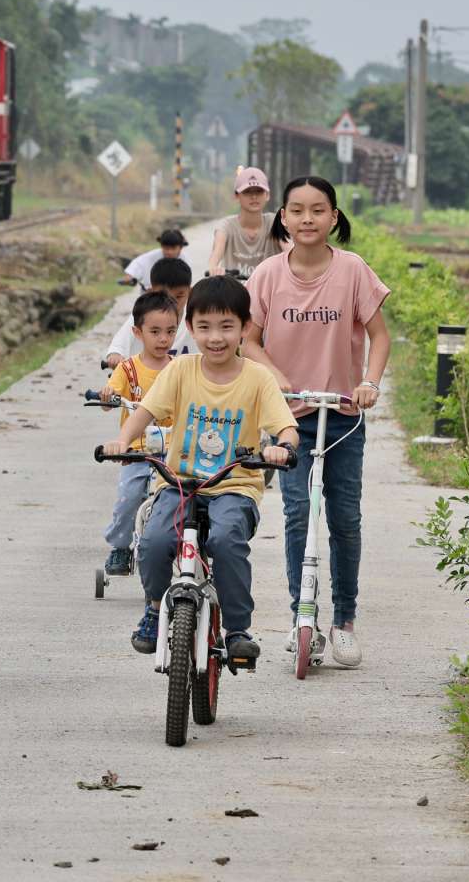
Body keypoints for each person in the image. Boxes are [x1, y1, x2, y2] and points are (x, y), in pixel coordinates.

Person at [106, 276, 298, 661]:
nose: (215, 338)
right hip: (179, 482)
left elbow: (286, 428)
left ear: (245, 328)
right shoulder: (180, 370)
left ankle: (238, 628)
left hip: (233, 485)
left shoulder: (258, 379)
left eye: (227, 327)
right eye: (205, 327)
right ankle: (155, 609)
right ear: (190, 329)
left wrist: (283, 447)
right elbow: (145, 411)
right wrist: (124, 440)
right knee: (156, 541)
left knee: (227, 540)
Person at [241, 175, 391, 670]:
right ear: (282, 217)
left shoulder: (352, 271)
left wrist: (369, 381)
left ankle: (344, 621)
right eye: (297, 210)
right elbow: (248, 339)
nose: (308, 219)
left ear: (333, 217)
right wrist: (276, 377)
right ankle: (300, 615)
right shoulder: (266, 275)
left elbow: (379, 335)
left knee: (345, 518)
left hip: (343, 415)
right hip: (289, 418)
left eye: (318, 210)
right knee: (299, 516)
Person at [96, 291, 182, 577]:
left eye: (170, 331)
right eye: (155, 331)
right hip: (136, 451)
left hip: (171, 452)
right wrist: (109, 394)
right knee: (129, 498)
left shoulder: (178, 368)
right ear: (137, 332)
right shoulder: (128, 368)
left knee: (179, 500)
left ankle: (181, 548)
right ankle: (120, 547)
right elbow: (112, 402)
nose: (163, 339)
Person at [102, 256, 193, 369]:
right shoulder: (144, 314)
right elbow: (123, 337)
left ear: (190, 291)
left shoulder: (194, 318)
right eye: (164, 296)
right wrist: (116, 353)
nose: (172, 303)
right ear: (151, 291)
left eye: (179, 296)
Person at [205, 166, 286, 277]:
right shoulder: (227, 225)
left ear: (267, 195)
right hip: (235, 291)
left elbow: (289, 249)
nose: (254, 196)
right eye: (247, 192)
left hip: (269, 291)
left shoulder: (276, 222)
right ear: (236, 196)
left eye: (259, 191)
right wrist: (213, 268)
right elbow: (216, 252)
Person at [120, 228, 188, 286]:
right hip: (149, 297)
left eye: (173, 248)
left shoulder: (184, 261)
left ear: (180, 248)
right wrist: (130, 276)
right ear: (161, 246)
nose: (169, 252)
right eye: (166, 248)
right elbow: (138, 263)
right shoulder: (151, 257)